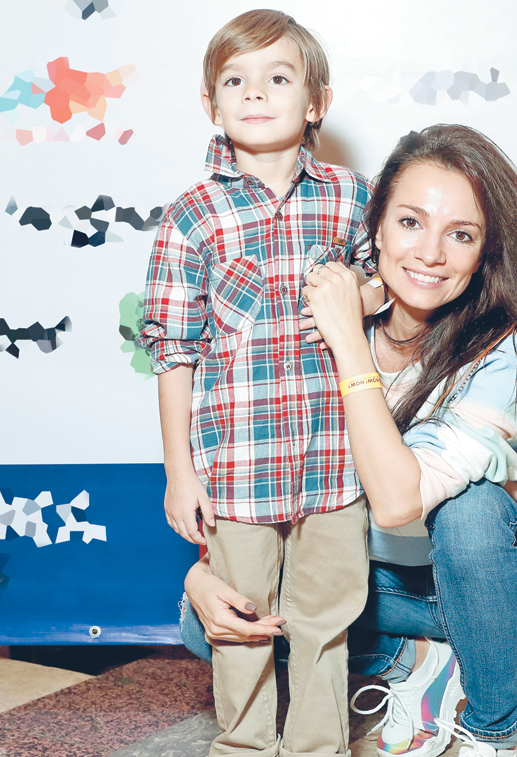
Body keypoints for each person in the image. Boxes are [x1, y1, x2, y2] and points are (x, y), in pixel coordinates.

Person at [179, 124, 517, 757]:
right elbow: (266, 469)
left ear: (486, 253)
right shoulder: (318, 317)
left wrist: (349, 342)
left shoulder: (503, 350)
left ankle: (492, 732)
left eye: (461, 235)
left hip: (511, 593)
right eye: (410, 222)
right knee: (210, 620)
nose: (430, 253)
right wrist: (200, 575)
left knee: (472, 508)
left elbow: (400, 503)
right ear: (375, 227)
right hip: (379, 580)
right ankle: (419, 662)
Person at [139, 10, 385, 757]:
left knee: (326, 615)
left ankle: (316, 746)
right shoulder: (191, 216)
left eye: (278, 78)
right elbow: (173, 351)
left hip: (334, 462)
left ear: (316, 102)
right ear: (210, 104)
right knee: (240, 619)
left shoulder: (352, 196)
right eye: (235, 81)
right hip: (237, 466)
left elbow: (386, 283)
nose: (255, 93)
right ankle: (243, 744)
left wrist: (361, 295)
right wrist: (180, 471)